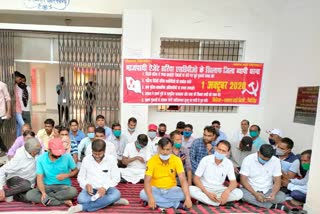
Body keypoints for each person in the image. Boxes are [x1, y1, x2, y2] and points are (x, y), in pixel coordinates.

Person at [68, 139, 128, 213]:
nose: (97, 156)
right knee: (81, 199)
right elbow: (80, 177)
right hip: (91, 190)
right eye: (94, 153)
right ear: (92, 151)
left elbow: (116, 178)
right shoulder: (86, 159)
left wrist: (104, 188)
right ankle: (110, 202)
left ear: (104, 151)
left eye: (99, 154)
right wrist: (86, 184)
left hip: (107, 189)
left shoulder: (111, 159)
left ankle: (82, 207)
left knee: (116, 194)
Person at [140, 138, 192, 210]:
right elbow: (147, 181)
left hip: (171, 189)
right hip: (155, 189)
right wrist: (151, 197)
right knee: (142, 194)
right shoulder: (152, 160)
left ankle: (156, 202)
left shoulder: (177, 160)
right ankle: (175, 204)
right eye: (162, 149)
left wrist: (188, 197)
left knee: (186, 194)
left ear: (172, 149)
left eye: (168, 149)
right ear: (158, 148)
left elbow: (183, 179)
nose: (165, 152)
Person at [26, 138, 78, 206]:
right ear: (49, 150)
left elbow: (76, 170)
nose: (59, 156)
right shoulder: (41, 159)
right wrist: (43, 193)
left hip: (64, 186)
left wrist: (67, 175)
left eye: (60, 153)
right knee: (29, 195)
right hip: (47, 186)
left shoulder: (67, 156)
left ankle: (48, 199)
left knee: (73, 192)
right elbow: (39, 178)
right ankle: (63, 201)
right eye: (56, 153)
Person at [190, 140, 243, 206]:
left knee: (239, 193)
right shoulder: (205, 160)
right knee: (190, 190)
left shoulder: (228, 163)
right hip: (204, 188)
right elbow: (196, 179)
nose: (220, 152)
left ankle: (211, 201)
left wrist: (227, 192)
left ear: (227, 153)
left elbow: (233, 182)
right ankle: (218, 202)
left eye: (223, 151)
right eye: (219, 149)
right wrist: (207, 193)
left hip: (219, 189)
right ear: (215, 148)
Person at [240, 144, 288, 212]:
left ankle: (261, 202)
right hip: (251, 190)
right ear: (258, 152)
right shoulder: (248, 159)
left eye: (267, 160)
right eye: (262, 159)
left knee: (282, 197)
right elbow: (243, 181)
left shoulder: (276, 161)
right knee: (241, 194)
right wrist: (255, 194)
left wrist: (273, 194)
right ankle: (272, 206)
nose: (264, 161)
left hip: (268, 191)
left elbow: (277, 181)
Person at [0, 138, 41, 202]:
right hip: (15, 180)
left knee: (34, 197)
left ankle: (15, 195)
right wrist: (1, 189)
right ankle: (3, 195)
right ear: (33, 152)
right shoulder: (19, 157)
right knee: (26, 184)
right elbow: (2, 170)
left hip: (29, 185)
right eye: (37, 151)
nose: (39, 151)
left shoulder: (38, 152)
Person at [0, 80, 11, 155]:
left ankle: (4, 149)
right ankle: (4, 149)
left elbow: (8, 99)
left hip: (1, 113)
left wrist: (8, 112)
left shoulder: (2, 85)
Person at [14, 71, 24, 137]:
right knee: (23, 125)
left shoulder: (15, 86)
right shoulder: (11, 86)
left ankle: (17, 140)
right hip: (15, 109)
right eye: (19, 79)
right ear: (15, 77)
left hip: (18, 108)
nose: (20, 81)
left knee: (18, 126)